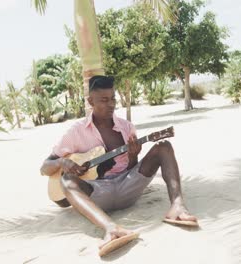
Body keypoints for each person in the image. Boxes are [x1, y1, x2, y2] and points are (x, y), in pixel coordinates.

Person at [40, 75, 197, 255]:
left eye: (113, 98)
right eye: (104, 100)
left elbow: (133, 169)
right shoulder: (76, 132)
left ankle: (177, 207)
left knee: (164, 147)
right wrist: (62, 161)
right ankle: (111, 229)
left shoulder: (126, 127)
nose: (111, 104)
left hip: (127, 187)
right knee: (66, 180)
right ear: (91, 101)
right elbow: (44, 167)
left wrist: (133, 156)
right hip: (98, 194)